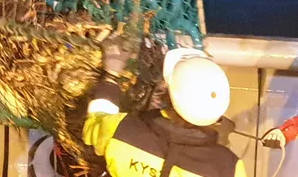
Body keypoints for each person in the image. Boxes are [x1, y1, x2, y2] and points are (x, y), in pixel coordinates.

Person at [83, 40, 247, 177]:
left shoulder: (121, 131)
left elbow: (94, 124)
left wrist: (112, 73)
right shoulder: (230, 167)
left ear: (168, 94)